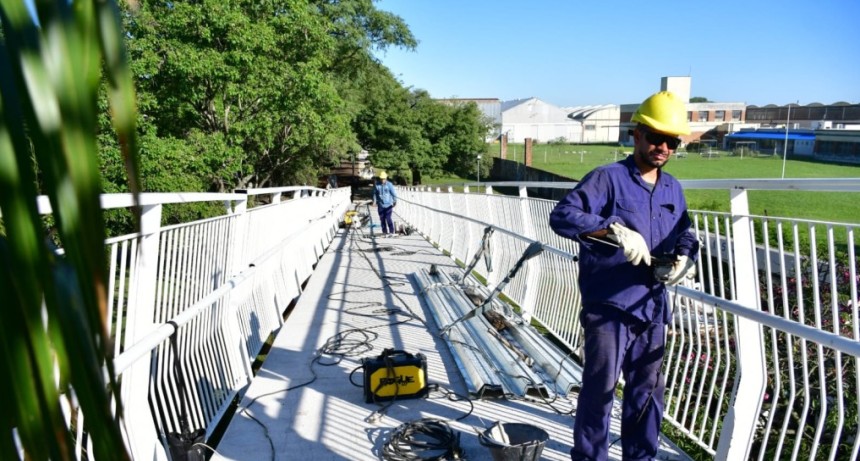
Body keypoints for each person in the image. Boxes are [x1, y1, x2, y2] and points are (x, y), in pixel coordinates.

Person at [549, 90, 700, 461]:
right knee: (599, 389)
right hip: (610, 304)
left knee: (647, 393)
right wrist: (611, 230)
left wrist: (686, 256)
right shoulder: (607, 178)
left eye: (672, 141)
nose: (663, 147)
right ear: (636, 135)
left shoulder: (672, 188)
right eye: (655, 137)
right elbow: (563, 216)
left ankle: (641, 456)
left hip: (652, 306)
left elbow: (686, 232)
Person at [373, 171, 397, 236]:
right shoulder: (377, 185)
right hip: (380, 205)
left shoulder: (389, 185)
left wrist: (395, 201)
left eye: (384, 179)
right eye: (381, 179)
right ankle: (384, 232)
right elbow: (375, 193)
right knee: (382, 219)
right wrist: (374, 202)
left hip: (388, 205)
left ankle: (391, 231)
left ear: (386, 178)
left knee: (388, 218)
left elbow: (393, 194)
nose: (382, 180)